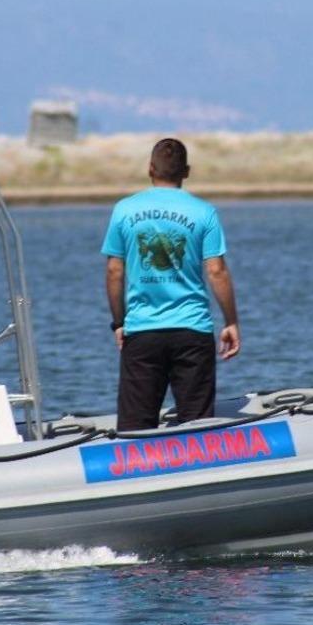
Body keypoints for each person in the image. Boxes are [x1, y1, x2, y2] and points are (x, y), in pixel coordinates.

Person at [101, 138, 241, 431]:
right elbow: (216, 271)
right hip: (192, 332)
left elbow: (115, 271)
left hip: (142, 333)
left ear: (150, 169)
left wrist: (118, 322)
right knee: (198, 429)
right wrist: (231, 322)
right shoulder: (204, 212)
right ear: (186, 172)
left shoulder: (124, 210)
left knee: (135, 430)